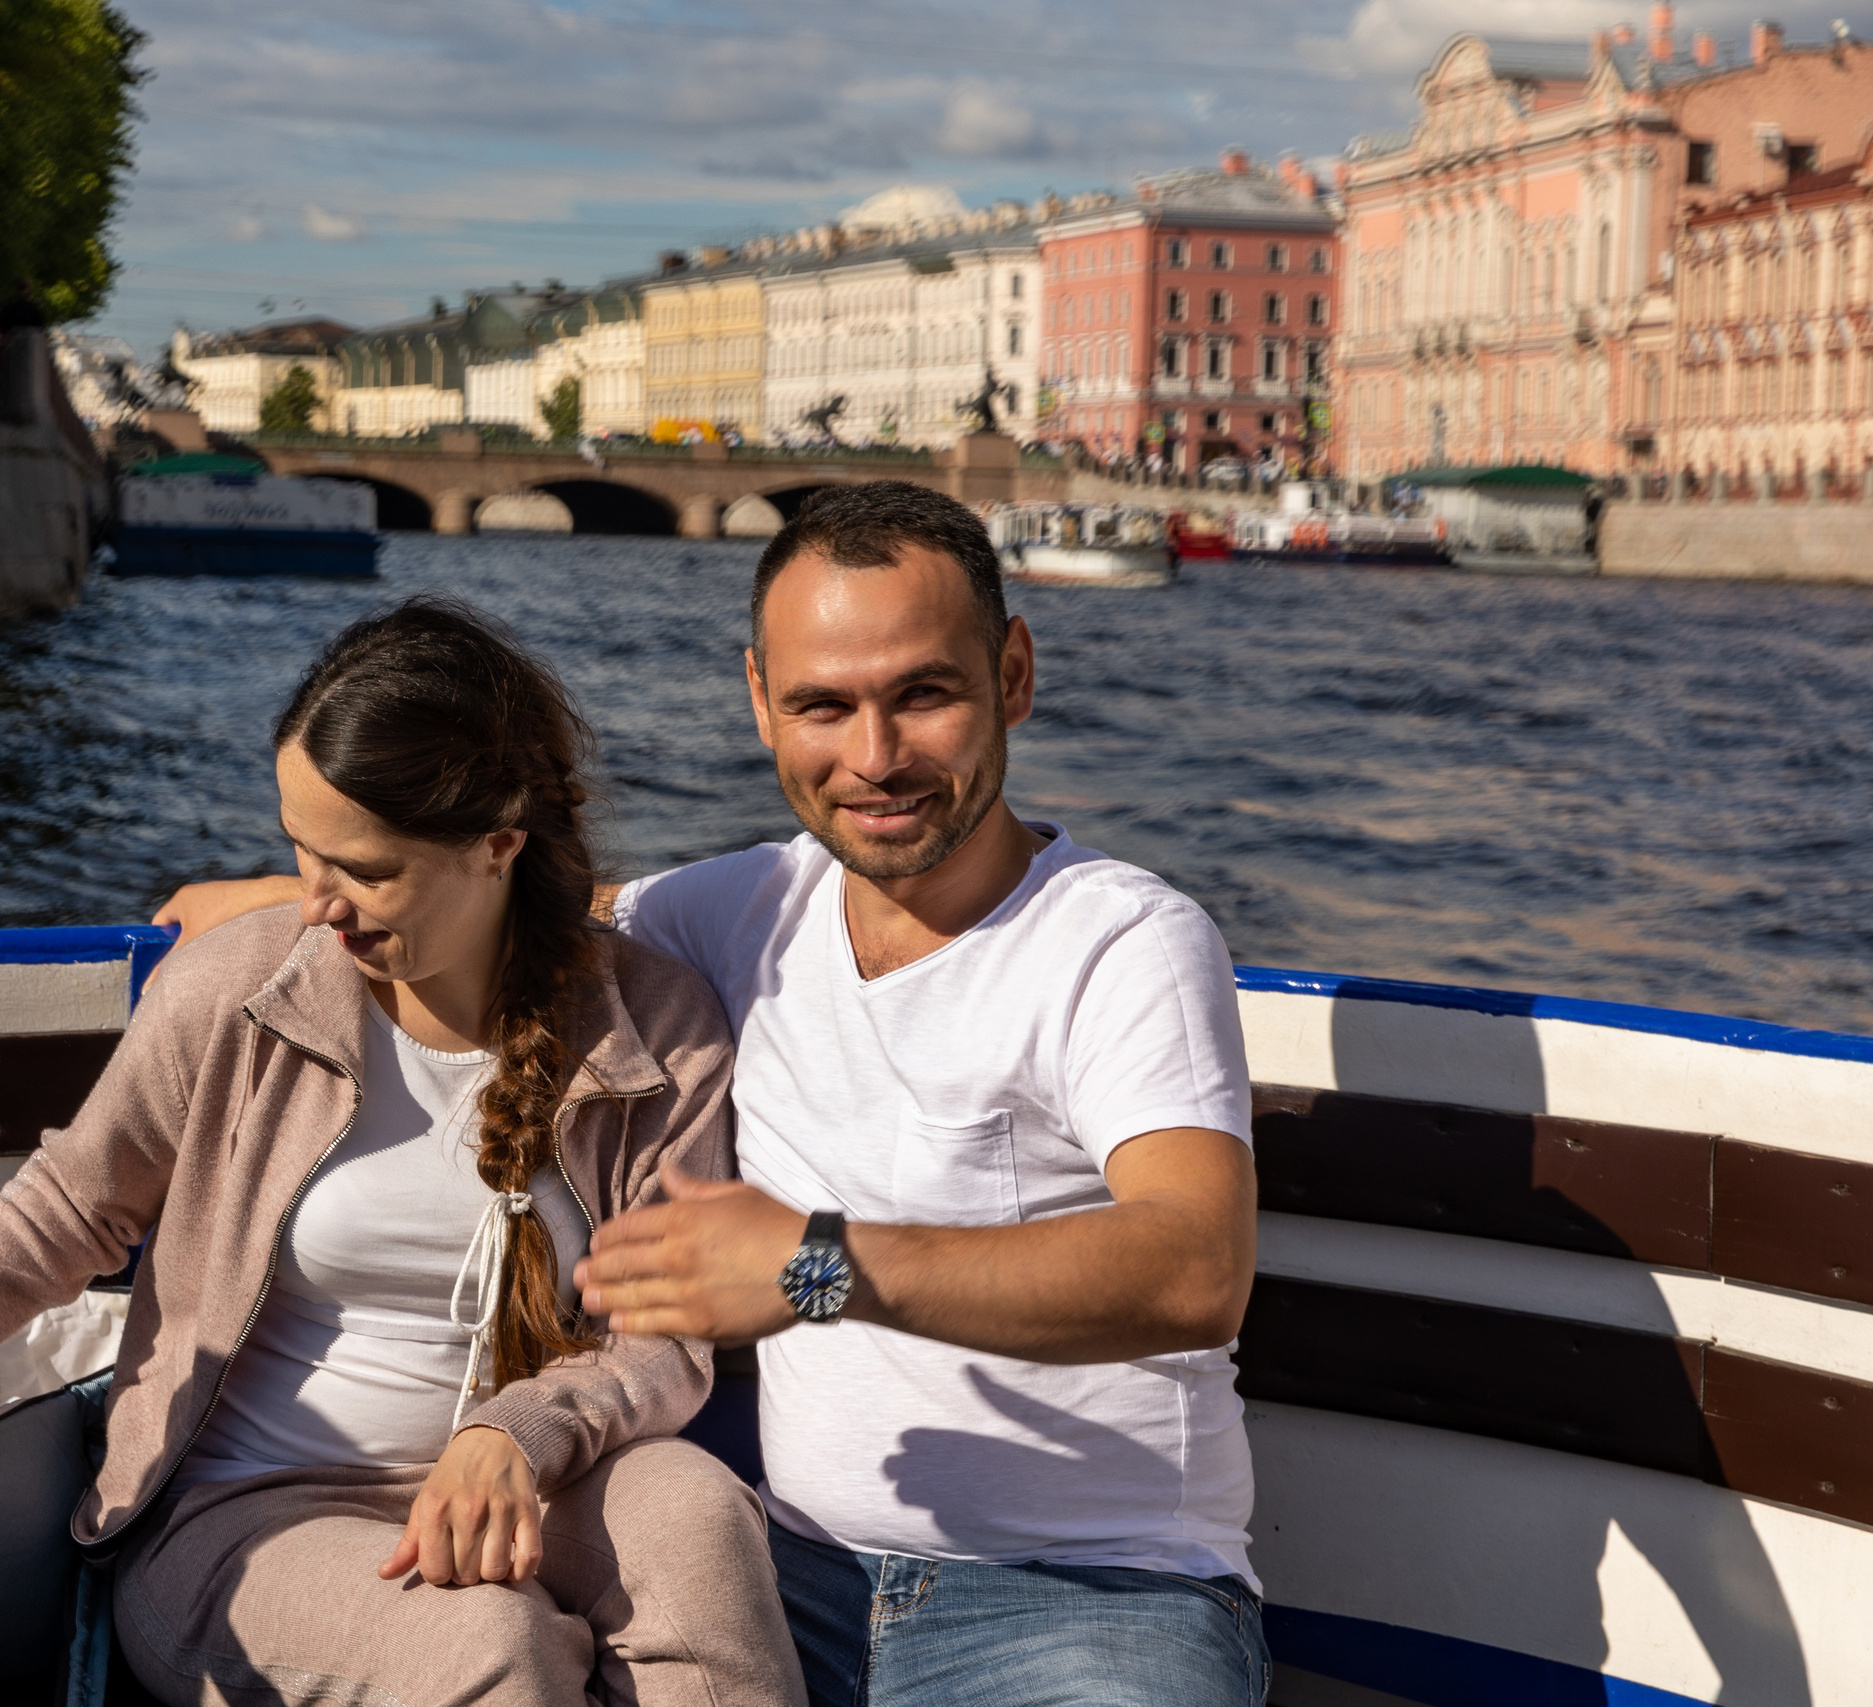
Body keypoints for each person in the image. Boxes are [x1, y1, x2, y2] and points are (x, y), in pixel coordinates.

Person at [158, 482, 1267, 1707]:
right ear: (757, 702)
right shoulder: (739, 911)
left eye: (924, 695)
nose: (874, 756)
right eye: (821, 707)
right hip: (784, 1577)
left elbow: (1191, 1269)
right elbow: (509, 901)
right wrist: (293, 894)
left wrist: (813, 1265)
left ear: (1012, 674)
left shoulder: (1124, 943)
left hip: (1082, 1602)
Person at [0, 599, 804, 1707]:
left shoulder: (654, 1033)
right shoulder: (239, 991)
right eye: (300, 851)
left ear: (498, 845)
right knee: (494, 1648)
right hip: (250, 1514)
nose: (316, 905)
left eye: (365, 871)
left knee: (700, 1522)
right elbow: (74, 1204)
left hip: (535, 1479)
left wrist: (513, 1433)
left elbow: (664, 1341)